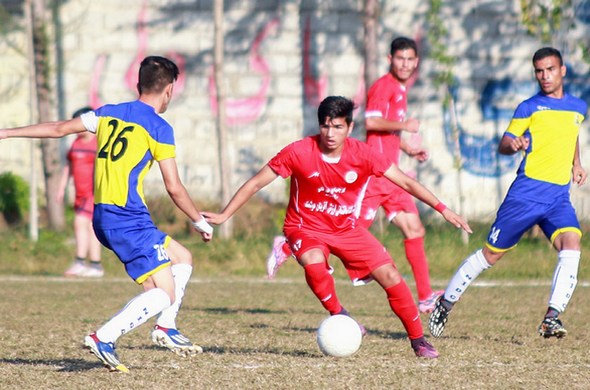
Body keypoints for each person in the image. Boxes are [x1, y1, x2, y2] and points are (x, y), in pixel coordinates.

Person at [205, 96, 472, 359]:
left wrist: (443, 209)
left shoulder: (364, 155)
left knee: (390, 276)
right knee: (313, 261)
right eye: (325, 126)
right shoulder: (298, 151)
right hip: (304, 226)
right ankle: (339, 314)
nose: (330, 133)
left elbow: (406, 183)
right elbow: (255, 183)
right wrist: (224, 215)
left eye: (337, 127)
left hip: (346, 230)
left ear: (350, 127)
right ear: (319, 124)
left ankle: (418, 340)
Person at [0, 56, 213, 372]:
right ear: (169, 90)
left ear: (137, 84)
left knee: (182, 258)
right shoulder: (159, 127)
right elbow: (175, 187)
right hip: (127, 218)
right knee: (164, 294)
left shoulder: (108, 113)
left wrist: (5, 133)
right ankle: (104, 337)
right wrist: (199, 220)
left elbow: (59, 128)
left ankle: (166, 328)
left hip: (106, 215)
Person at [267, 37, 442, 315]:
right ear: (390, 59)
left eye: (410, 60)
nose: (405, 64)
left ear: (416, 62)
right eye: (400, 59)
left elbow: (386, 133)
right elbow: (371, 123)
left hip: (390, 174)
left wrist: (406, 147)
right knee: (346, 227)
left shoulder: (400, 89)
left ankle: (424, 296)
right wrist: (405, 125)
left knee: (414, 230)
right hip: (371, 177)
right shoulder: (383, 87)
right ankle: (289, 246)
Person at [429, 47, 587, 339]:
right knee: (490, 255)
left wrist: (577, 164)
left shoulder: (578, 107)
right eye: (539, 71)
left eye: (550, 69)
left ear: (562, 70)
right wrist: (512, 145)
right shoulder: (529, 107)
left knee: (572, 243)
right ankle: (445, 303)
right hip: (524, 196)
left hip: (558, 198)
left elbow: (572, 133)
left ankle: (552, 318)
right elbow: (504, 143)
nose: (544, 76)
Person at [57, 107, 104, 278]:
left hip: (93, 192)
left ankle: (82, 261)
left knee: (80, 223)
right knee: (89, 227)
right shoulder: (76, 143)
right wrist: (62, 187)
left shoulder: (98, 142)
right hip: (79, 193)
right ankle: (94, 265)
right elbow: (68, 166)